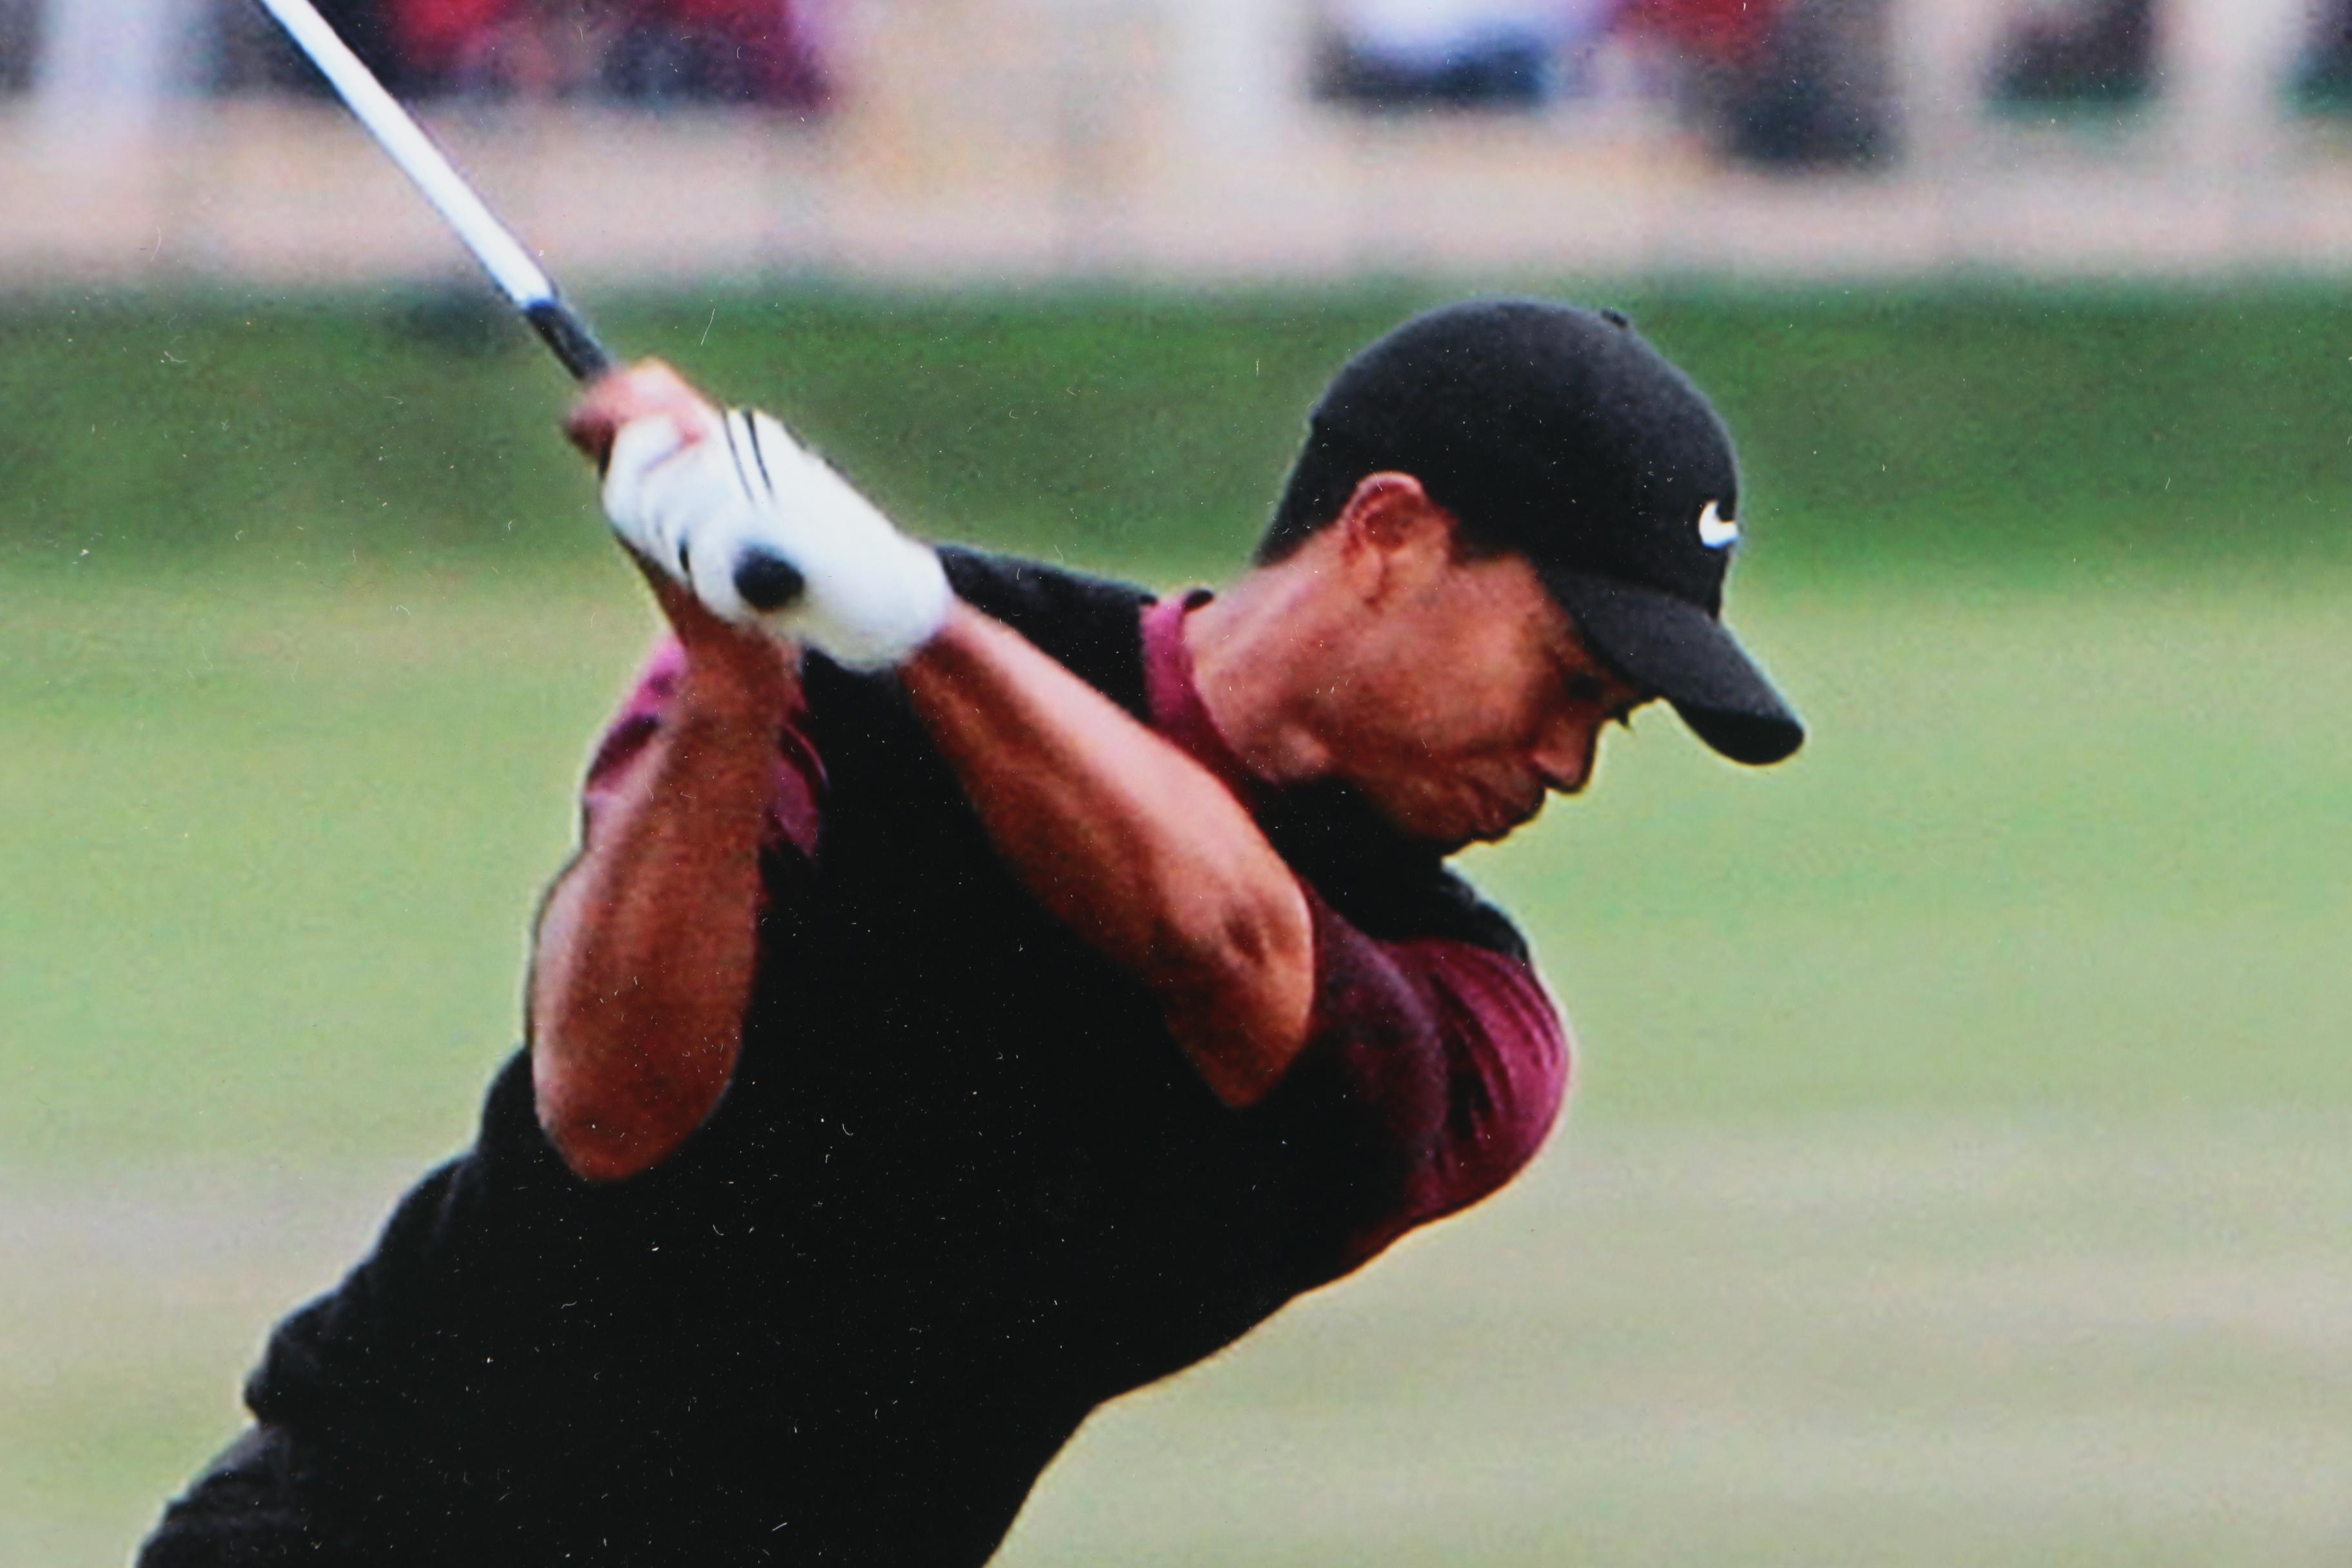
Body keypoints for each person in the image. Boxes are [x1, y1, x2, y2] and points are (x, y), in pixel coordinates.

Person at [138, 299, 1803, 1567]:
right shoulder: (817, 642)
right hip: (367, 1523)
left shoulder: (1475, 1025)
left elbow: (1226, 948)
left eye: (1612, 720)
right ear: (1387, 536)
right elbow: (613, 1110)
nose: (1572, 762)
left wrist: (901, 620)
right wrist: (734, 678)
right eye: (1569, 678)